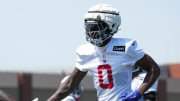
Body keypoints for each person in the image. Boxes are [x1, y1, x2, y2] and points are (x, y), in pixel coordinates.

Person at [47, 3, 160, 101]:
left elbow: (154, 69)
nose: (92, 33)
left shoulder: (126, 47)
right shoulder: (85, 52)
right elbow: (70, 84)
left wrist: (138, 92)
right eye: (89, 28)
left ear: (111, 27)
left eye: (96, 28)